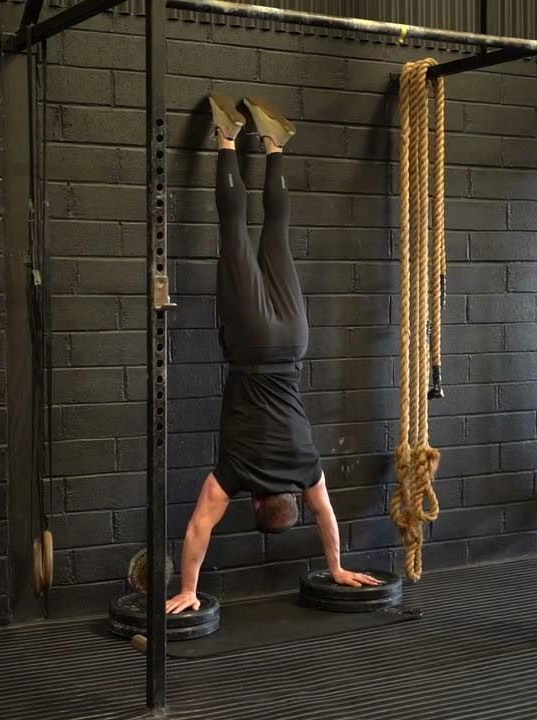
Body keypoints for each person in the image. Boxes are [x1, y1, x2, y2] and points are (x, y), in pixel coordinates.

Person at [165, 95, 381, 615]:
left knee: (277, 235)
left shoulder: (308, 470)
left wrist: (337, 566)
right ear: (258, 502)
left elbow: (328, 517)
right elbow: (199, 527)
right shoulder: (233, 474)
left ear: (290, 500)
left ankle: (276, 145)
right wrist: (189, 590)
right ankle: (226, 138)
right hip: (252, 342)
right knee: (235, 233)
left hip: (294, 341)